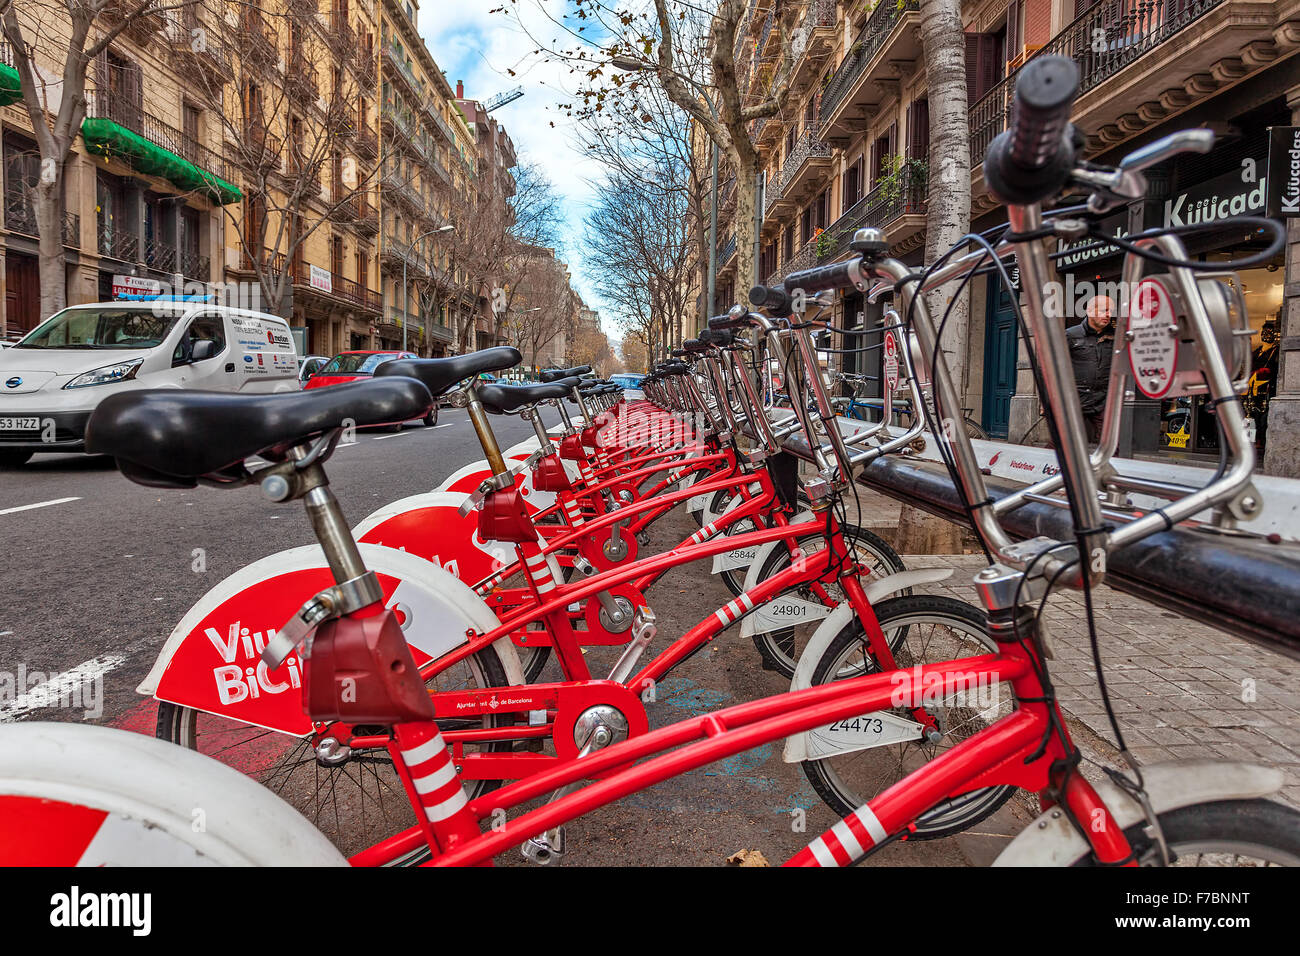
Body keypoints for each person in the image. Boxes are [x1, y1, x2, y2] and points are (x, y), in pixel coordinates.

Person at [1066, 294, 1116, 444]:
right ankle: (1046, 467)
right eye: (1103, 310)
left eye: (1110, 311)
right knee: (1064, 443)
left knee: (1111, 445)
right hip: (1075, 400)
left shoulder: (1115, 337)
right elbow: (1050, 368)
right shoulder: (1070, 335)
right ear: (1089, 311)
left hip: (1103, 400)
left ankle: (1108, 467)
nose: (1108, 314)